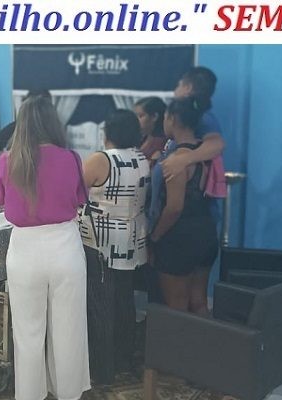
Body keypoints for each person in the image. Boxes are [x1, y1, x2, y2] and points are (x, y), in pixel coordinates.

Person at [0, 96, 91, 400]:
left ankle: (29, 394)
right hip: (65, 246)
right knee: (69, 328)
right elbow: (80, 199)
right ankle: (68, 393)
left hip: (24, 249)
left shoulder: (8, 160)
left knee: (27, 332)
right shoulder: (71, 158)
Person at [79, 109, 150, 384]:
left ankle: (102, 369)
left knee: (100, 303)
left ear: (107, 132)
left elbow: (74, 192)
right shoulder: (141, 158)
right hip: (131, 239)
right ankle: (123, 359)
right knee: (124, 300)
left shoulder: (101, 159)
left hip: (102, 241)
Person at [149, 97, 217, 314]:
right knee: (199, 303)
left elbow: (174, 207)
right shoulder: (204, 152)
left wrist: (155, 237)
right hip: (206, 232)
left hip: (181, 238)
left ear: (172, 119)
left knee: (176, 307)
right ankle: (209, 337)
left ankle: (177, 340)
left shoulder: (177, 160)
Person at [159, 67, 225, 180]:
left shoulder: (203, 117)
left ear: (188, 88)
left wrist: (183, 159)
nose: (175, 91)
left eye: (179, 85)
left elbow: (217, 144)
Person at [134, 96, 168, 163]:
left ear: (154, 116)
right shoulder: (140, 138)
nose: (135, 120)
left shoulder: (162, 143)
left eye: (140, 116)